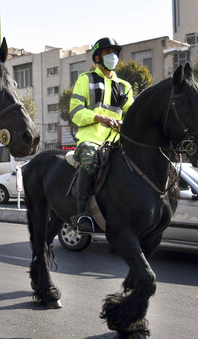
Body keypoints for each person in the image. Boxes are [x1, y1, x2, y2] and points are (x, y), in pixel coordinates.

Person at [69, 37, 133, 233]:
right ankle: (82, 216)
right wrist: (99, 118)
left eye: (114, 53)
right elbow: (75, 113)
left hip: (117, 142)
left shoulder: (125, 87)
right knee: (89, 163)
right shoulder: (85, 79)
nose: (112, 56)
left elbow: (133, 117)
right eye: (107, 53)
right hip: (91, 140)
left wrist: (125, 124)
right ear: (98, 57)